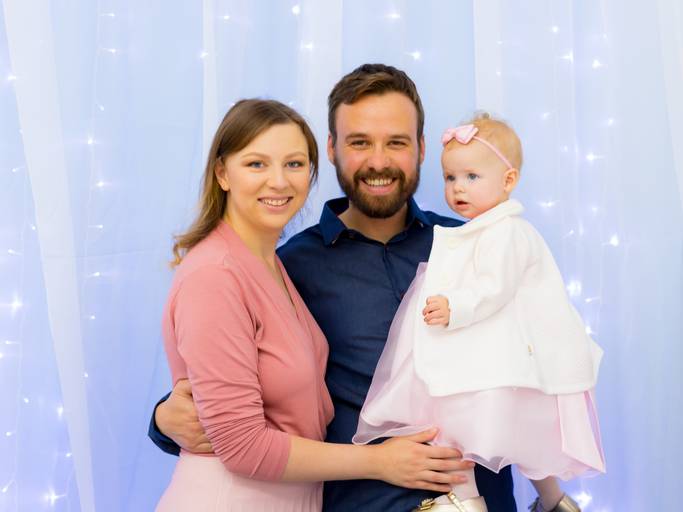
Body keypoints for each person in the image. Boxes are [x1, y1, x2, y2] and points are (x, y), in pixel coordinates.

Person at [150, 65, 517, 511]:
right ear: (332, 150)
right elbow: (231, 394)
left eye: (396, 142)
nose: (378, 162)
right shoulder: (292, 264)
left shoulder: (476, 245)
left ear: (421, 148)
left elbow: (537, 353)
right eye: (359, 142)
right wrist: (164, 418)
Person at [353, 115, 606, 512]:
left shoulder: (507, 231)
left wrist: (456, 306)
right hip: (480, 351)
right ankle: (533, 500)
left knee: (465, 429)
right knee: (471, 432)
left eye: (472, 177)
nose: (458, 188)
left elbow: (494, 286)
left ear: (508, 180)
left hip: (497, 358)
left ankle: (480, 500)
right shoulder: (480, 230)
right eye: (450, 178)